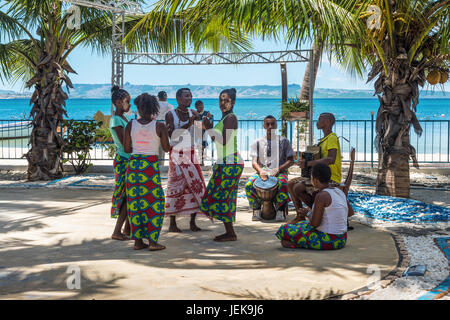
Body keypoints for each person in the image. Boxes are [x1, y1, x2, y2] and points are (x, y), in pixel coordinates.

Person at [123, 93, 170, 251]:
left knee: (135, 203)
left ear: (138, 108)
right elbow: (166, 148)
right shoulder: (159, 126)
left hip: (134, 166)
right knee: (154, 203)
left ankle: (138, 242)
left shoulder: (130, 125)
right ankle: (152, 242)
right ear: (154, 108)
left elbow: (127, 149)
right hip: (149, 167)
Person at [276, 163, 354, 250]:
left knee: (284, 229)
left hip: (330, 240)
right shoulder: (339, 191)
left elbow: (315, 224)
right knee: (301, 224)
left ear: (315, 181)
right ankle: (299, 243)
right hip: (342, 238)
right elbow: (350, 213)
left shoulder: (321, 196)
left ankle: (299, 244)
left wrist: (307, 213)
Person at [201, 88, 244, 242]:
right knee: (220, 196)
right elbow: (217, 141)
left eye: (226, 100)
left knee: (220, 197)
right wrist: (210, 127)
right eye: (220, 100)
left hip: (231, 162)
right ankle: (229, 232)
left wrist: (208, 128)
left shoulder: (231, 118)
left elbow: (223, 140)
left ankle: (230, 233)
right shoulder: (224, 118)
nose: (222, 103)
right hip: (225, 162)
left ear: (233, 102)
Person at [287, 112, 343, 223]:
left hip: (329, 178)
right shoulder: (324, 139)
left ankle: (315, 210)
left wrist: (308, 164)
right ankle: (301, 215)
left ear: (327, 122)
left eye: (319, 119)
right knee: (290, 184)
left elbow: (330, 159)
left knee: (297, 187)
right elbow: (318, 157)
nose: (317, 122)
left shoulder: (332, 138)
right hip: (320, 176)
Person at [165, 88, 207, 232]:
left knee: (195, 185)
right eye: (186, 96)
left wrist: (200, 120)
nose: (190, 98)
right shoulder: (170, 115)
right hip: (176, 154)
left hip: (191, 153)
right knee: (175, 186)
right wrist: (189, 123)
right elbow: (172, 136)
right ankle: (172, 223)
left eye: (191, 96)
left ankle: (193, 222)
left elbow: (199, 133)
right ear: (178, 98)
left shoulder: (192, 114)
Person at [245, 115, 294, 222]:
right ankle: (256, 209)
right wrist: (261, 171)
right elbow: (254, 162)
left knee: (283, 183)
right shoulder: (257, 142)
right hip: (262, 172)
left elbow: (291, 160)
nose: (270, 126)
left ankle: (280, 210)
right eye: (267, 124)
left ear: (276, 126)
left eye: (272, 124)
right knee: (248, 184)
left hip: (279, 172)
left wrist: (278, 169)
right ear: (264, 126)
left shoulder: (284, 141)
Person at [109, 86, 131, 241]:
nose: (129, 105)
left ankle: (127, 229)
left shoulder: (124, 118)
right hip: (123, 159)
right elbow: (125, 142)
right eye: (127, 102)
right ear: (118, 102)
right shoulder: (116, 120)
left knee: (130, 195)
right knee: (125, 195)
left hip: (128, 158)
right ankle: (117, 231)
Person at [156, 91, 174, 161]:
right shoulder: (170, 106)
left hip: (156, 125)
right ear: (166, 97)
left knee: (155, 144)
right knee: (163, 144)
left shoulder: (155, 105)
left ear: (158, 97)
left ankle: (156, 161)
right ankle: (161, 161)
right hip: (165, 126)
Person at [194, 100, 213, 165]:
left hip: (204, 132)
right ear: (196, 107)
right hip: (196, 132)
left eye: (202, 107)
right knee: (197, 146)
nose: (201, 108)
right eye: (200, 107)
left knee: (203, 146)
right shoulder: (194, 113)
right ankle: (198, 160)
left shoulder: (206, 113)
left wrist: (211, 117)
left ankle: (202, 161)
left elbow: (211, 121)